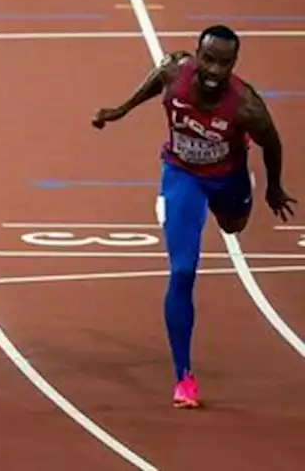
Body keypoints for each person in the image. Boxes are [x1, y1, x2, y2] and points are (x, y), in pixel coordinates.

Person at [92, 25, 295, 409]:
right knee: (182, 271)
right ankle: (183, 377)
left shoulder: (246, 106)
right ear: (197, 56)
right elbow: (156, 79)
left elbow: (274, 143)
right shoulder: (175, 71)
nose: (215, 69)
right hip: (182, 174)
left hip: (228, 179)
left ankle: (237, 198)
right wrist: (118, 111)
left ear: (234, 63)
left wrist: (274, 188)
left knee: (234, 225)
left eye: (224, 62)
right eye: (209, 59)